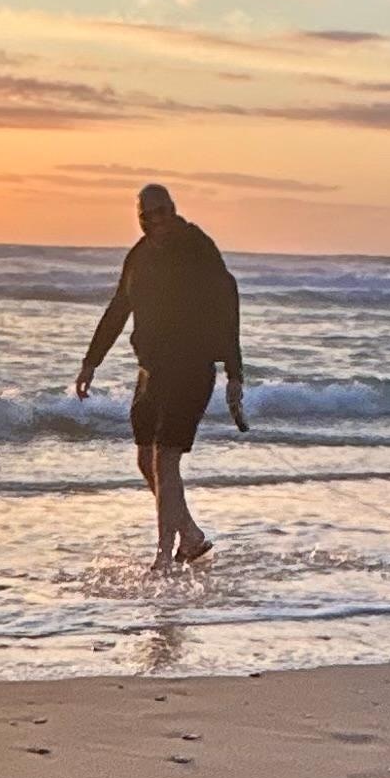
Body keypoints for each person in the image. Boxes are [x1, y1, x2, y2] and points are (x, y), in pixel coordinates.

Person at [73, 181, 246, 566]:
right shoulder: (138, 256)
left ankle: (163, 557)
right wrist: (91, 362)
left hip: (191, 368)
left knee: (165, 460)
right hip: (150, 371)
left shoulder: (197, 247)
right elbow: (120, 307)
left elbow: (227, 301)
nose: (159, 221)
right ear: (141, 219)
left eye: (164, 212)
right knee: (144, 460)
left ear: (173, 209)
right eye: (149, 216)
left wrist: (235, 373)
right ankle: (191, 537)